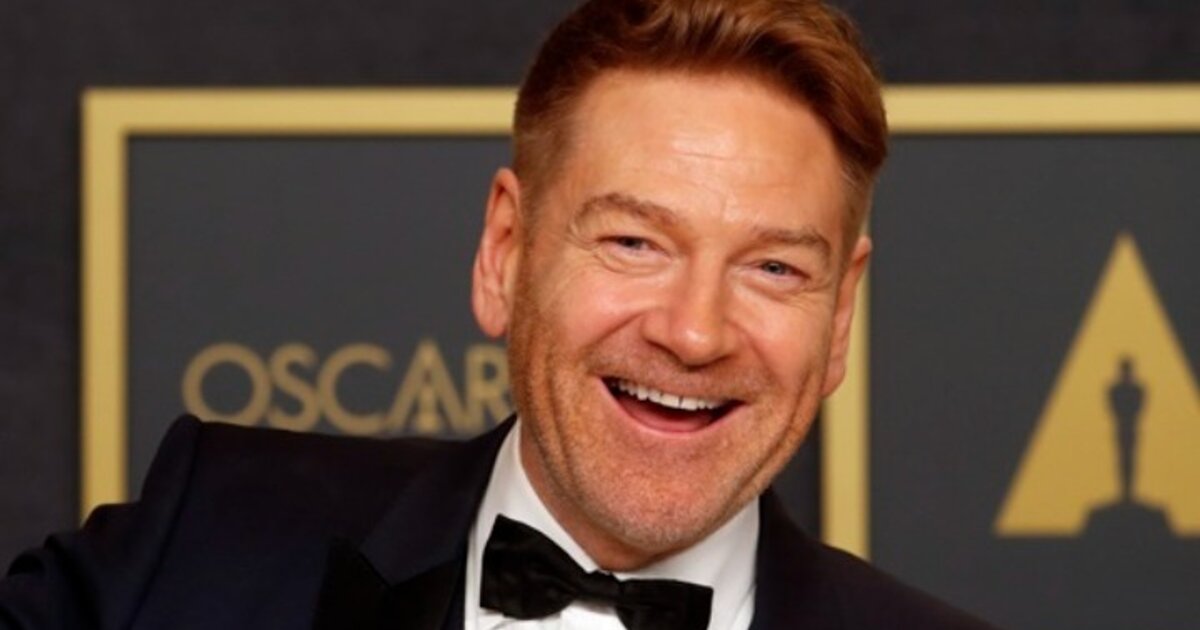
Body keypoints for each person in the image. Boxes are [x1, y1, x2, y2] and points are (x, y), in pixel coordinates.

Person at [1, 0, 996, 628]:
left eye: (773, 268)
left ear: (840, 314)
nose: (694, 333)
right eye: (633, 242)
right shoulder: (204, 542)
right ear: (505, 253)